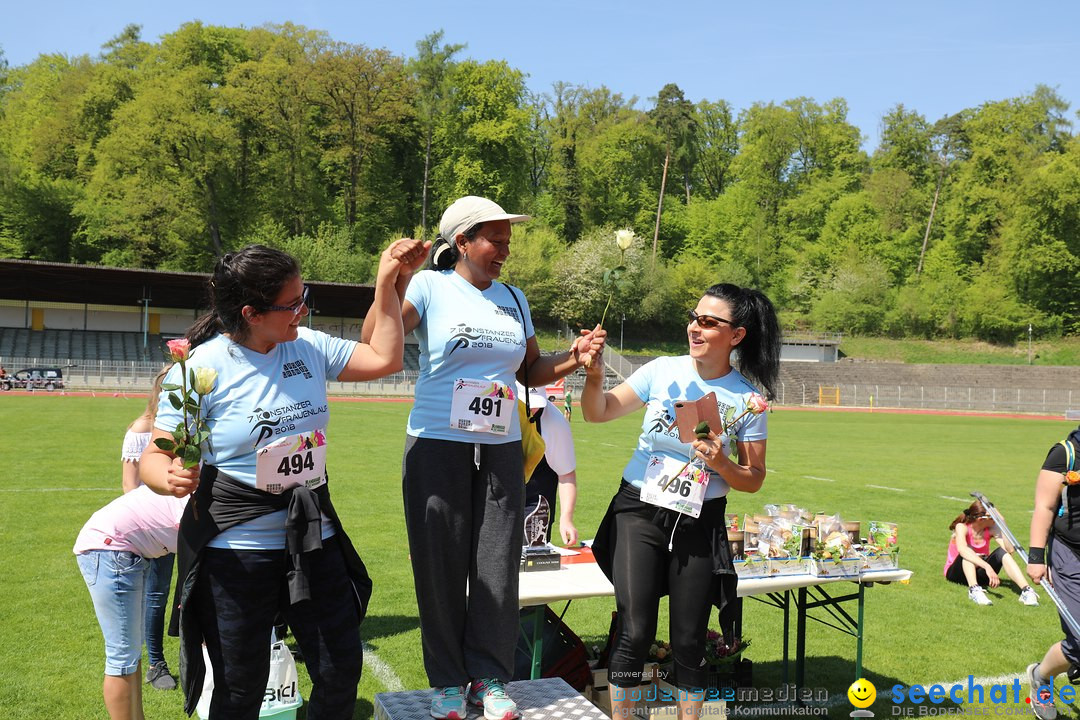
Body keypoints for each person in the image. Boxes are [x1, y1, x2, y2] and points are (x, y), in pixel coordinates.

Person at [140, 239, 427, 719]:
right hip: (236, 554)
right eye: (293, 303)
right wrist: (165, 477)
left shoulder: (309, 346)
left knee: (339, 671)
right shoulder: (198, 369)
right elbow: (155, 455)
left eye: (303, 296)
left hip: (313, 539)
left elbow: (385, 359)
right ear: (251, 312)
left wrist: (387, 284)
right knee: (238, 686)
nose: (304, 310)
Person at [364, 196, 605, 720]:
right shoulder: (429, 286)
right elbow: (377, 341)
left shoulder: (514, 299)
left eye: (507, 241)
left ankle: (491, 678)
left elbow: (531, 371)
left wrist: (575, 358)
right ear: (462, 242)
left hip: (499, 446)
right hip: (435, 443)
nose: (504, 250)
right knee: (441, 567)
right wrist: (389, 282)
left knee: (498, 566)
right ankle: (448, 682)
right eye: (494, 239)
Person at [582, 283, 780, 720]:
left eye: (709, 322)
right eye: (694, 317)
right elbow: (597, 412)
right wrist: (595, 378)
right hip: (639, 508)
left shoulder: (750, 401)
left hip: (700, 520)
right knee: (635, 632)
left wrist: (723, 463)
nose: (695, 327)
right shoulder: (660, 370)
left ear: (737, 335)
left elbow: (754, 479)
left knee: (689, 639)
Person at [74, 485, 188, 720]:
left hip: (123, 548)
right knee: (122, 657)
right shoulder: (202, 497)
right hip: (110, 547)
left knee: (130, 656)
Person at [120, 367, 179, 691]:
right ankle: (156, 664)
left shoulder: (192, 427)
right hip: (158, 527)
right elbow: (129, 486)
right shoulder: (142, 430)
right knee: (157, 595)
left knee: (195, 590)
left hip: (195, 522)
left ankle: (202, 654)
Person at [1026, 425, 1080, 720]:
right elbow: (1045, 506)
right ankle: (1041, 677)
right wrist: (1036, 557)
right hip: (1071, 555)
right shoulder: (1065, 454)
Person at [942, 500, 1039, 607]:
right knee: (968, 552)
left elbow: (1010, 550)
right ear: (980, 519)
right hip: (956, 573)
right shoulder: (962, 527)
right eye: (992, 516)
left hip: (980, 574)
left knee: (1002, 553)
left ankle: (1026, 590)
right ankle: (974, 590)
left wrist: (1003, 523)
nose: (995, 519)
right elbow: (962, 550)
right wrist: (987, 566)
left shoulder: (992, 529)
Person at [518, 383, 578, 546]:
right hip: (499, 498)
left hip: (536, 503)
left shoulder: (555, 422)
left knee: (534, 560)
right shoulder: (498, 414)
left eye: (537, 404)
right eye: (526, 403)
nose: (533, 410)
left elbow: (566, 474)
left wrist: (566, 517)